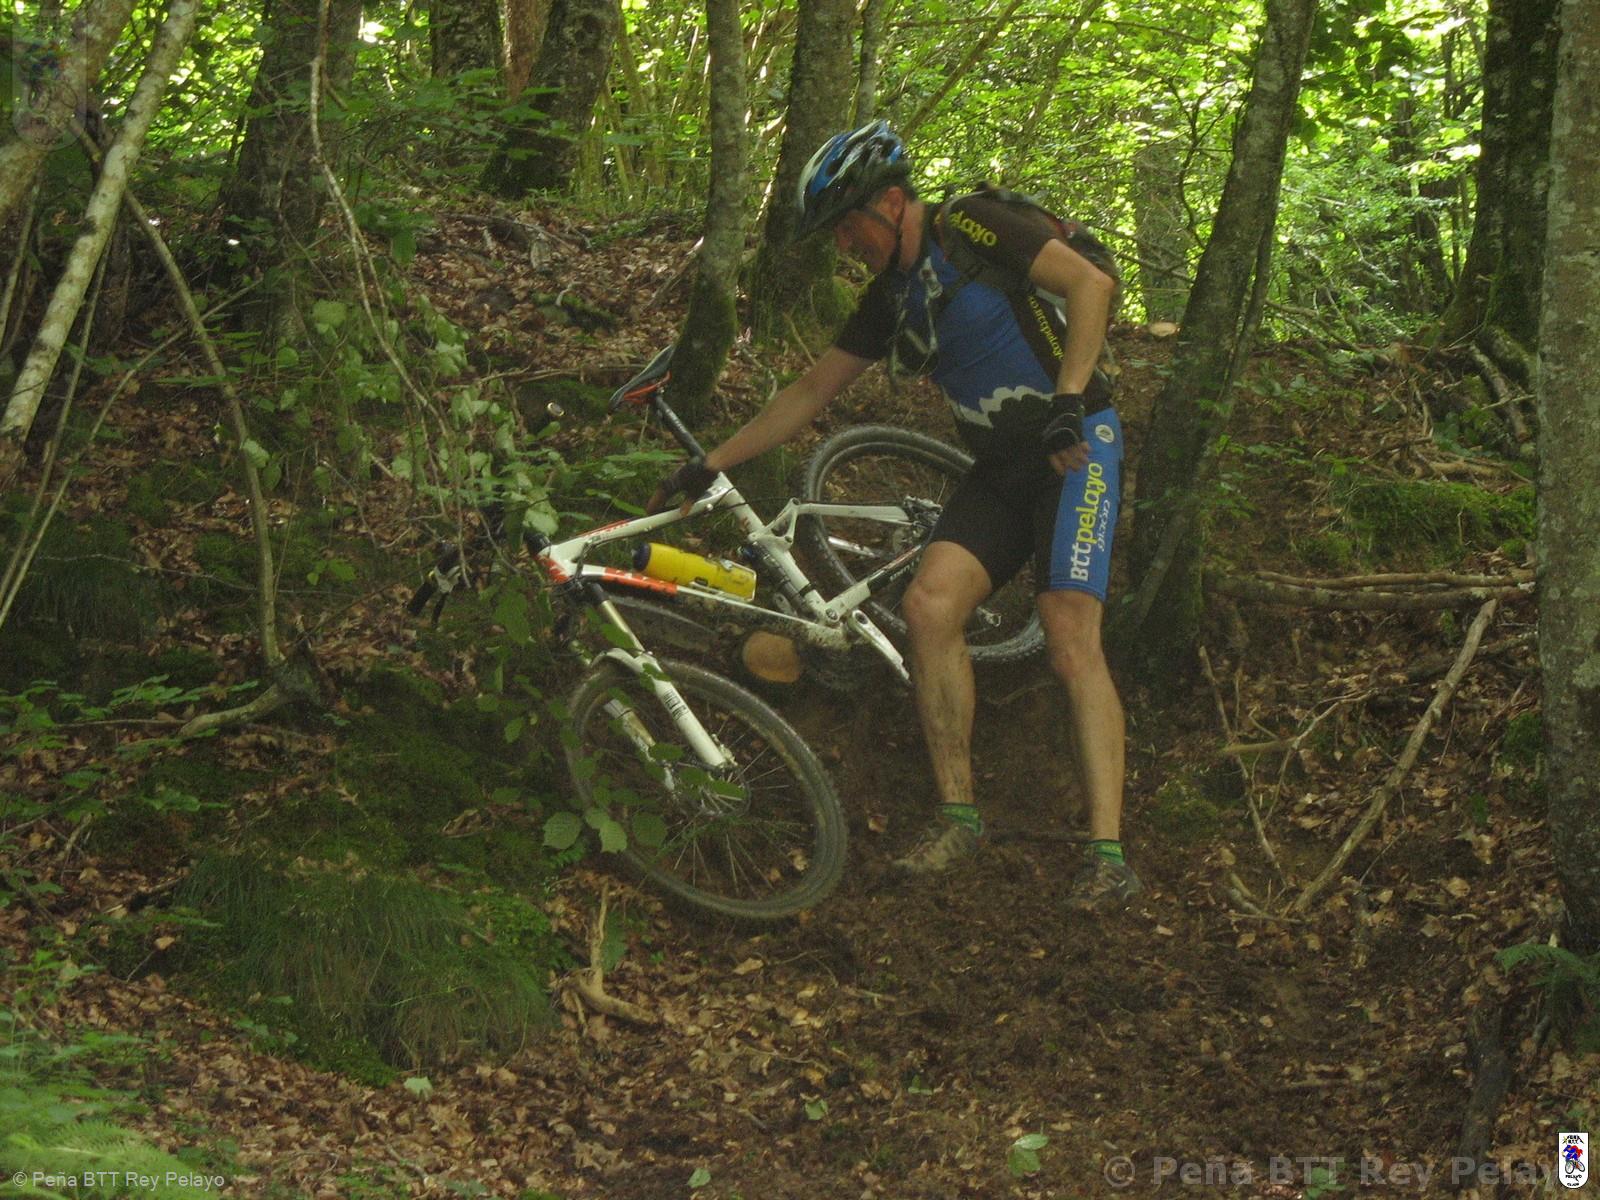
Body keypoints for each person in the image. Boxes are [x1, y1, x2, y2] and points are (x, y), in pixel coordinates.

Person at [649, 121, 1141, 913]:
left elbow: (1090, 285)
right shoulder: (889, 298)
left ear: (888, 201)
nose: (845, 246)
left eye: (848, 225)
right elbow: (811, 392)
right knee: (929, 605)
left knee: (1068, 633)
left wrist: (1070, 396)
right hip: (1000, 469)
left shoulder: (971, 224)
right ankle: (958, 817)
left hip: (1077, 445)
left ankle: (1108, 855)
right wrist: (713, 463)